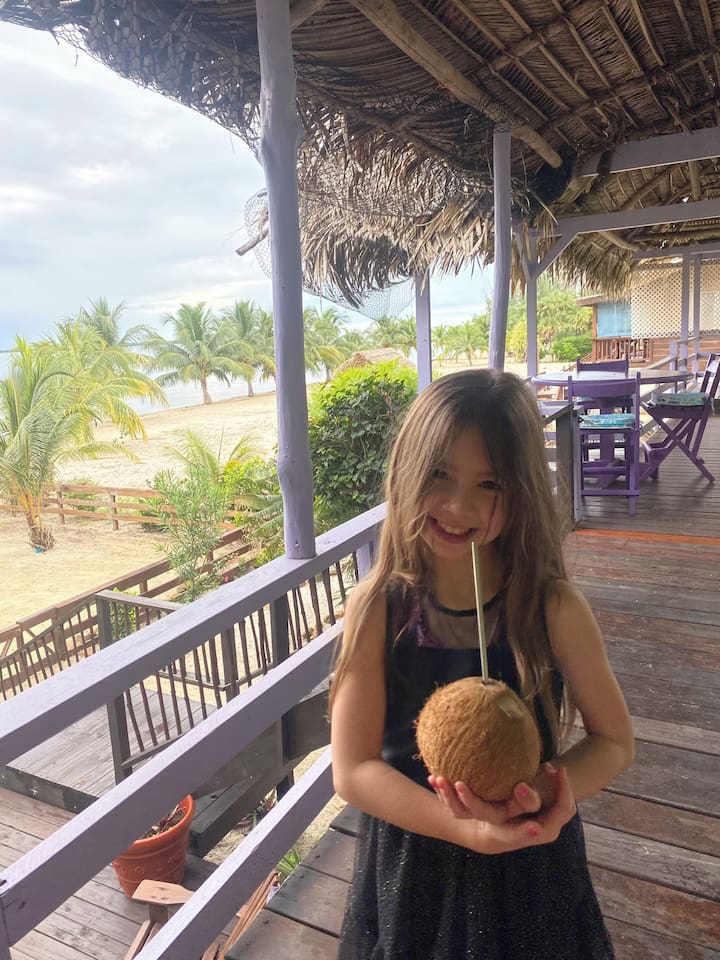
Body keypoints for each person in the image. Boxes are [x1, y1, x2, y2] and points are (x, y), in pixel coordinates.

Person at [330, 369, 634, 959]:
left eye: (489, 484)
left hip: (530, 864)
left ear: (520, 492)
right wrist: (464, 829)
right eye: (440, 473)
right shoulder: (377, 611)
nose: (458, 505)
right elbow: (353, 768)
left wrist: (553, 798)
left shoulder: (551, 609)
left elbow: (614, 742)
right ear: (408, 471)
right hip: (413, 864)